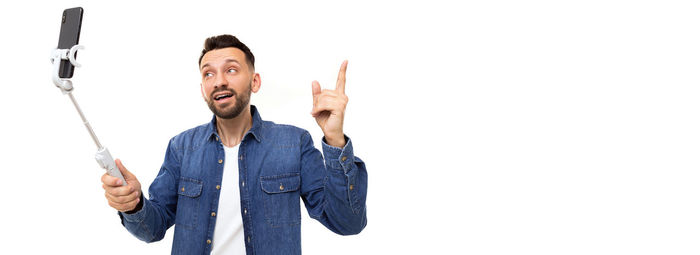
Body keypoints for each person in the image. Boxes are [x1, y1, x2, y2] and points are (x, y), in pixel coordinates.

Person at [101, 34, 368, 255]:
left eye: (231, 70)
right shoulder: (182, 148)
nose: (219, 81)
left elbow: (347, 222)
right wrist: (133, 204)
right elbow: (152, 229)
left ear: (255, 81)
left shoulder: (294, 143)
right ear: (203, 89)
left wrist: (335, 139)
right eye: (208, 74)